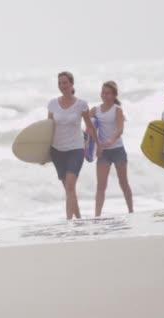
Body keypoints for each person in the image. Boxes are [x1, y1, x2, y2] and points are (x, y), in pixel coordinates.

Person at [48, 71, 99, 220]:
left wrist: (98, 145)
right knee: (69, 189)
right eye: (60, 83)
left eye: (65, 82)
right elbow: (48, 127)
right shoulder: (52, 104)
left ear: (71, 84)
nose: (62, 86)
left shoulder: (81, 104)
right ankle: (79, 219)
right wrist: (43, 152)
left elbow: (89, 126)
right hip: (57, 150)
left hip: (76, 149)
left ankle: (68, 222)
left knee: (70, 186)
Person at [90, 81, 133, 216]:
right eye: (103, 92)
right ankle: (97, 215)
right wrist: (93, 147)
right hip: (103, 152)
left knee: (123, 182)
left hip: (117, 150)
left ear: (114, 95)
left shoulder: (117, 109)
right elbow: (90, 130)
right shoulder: (95, 110)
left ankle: (131, 211)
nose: (105, 95)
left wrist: (111, 139)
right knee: (101, 186)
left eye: (108, 93)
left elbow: (120, 128)